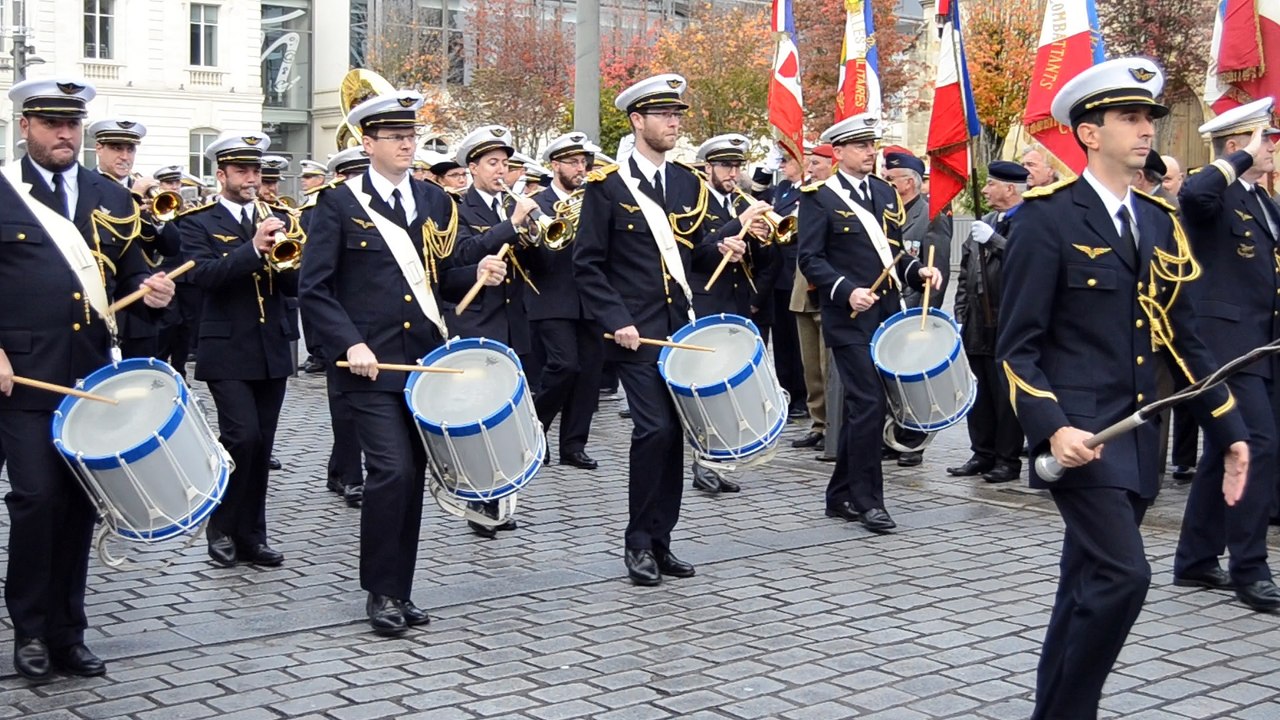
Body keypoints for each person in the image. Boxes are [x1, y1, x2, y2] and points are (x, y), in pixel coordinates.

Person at [996, 58, 1248, 718]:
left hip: (1138, 440)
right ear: (1088, 132)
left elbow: (1185, 339)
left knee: (1083, 585)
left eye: (1148, 120)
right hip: (1081, 439)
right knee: (1123, 576)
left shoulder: (1159, 222)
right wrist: (1053, 426)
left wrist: (1231, 431)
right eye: (1129, 119)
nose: (1145, 132)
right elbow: (1016, 348)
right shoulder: (1047, 220)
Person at [299, 89, 507, 636]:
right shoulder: (337, 204)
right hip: (370, 367)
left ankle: (402, 588)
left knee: (413, 475)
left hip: (424, 363)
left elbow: (444, 276)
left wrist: (481, 270)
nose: (407, 144)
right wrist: (349, 344)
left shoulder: (435, 200)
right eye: (395, 137)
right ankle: (380, 592)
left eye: (411, 136)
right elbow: (315, 289)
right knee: (390, 470)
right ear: (366, 143)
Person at [1, 77, 175, 682]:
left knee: (78, 505)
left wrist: (154, 293)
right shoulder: (4, 190)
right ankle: (28, 630)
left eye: (72, 124)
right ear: (25, 126)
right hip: (23, 378)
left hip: (93, 377)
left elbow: (131, 274)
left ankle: (67, 631)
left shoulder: (110, 195)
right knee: (35, 499)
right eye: (51, 123)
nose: (65, 134)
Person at [573, 73, 746, 586]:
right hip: (635, 332)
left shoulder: (688, 182)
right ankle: (637, 543)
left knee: (677, 436)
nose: (674, 122)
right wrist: (616, 320)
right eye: (664, 115)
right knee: (655, 430)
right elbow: (588, 264)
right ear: (637, 121)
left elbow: (692, 249)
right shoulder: (606, 187)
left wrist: (724, 246)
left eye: (678, 115)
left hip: (680, 327)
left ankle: (662, 539)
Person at [797, 113, 940, 534]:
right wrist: (846, 290)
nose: (869, 152)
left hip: (886, 316)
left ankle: (839, 494)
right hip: (849, 318)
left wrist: (919, 273)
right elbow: (811, 259)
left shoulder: (883, 192)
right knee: (869, 404)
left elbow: (894, 253)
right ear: (838, 152)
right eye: (860, 146)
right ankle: (868, 501)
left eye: (871, 145)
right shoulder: (818, 197)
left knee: (868, 407)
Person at [1173, 98, 1280, 612]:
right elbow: (1194, 190)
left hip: (1264, 346)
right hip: (1226, 349)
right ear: (1237, 146)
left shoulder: (1263, 202)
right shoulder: (1212, 196)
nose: (1275, 146)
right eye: (1267, 139)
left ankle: (1195, 559)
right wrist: (1236, 161)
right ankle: (1250, 568)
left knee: (1226, 448)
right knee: (1259, 445)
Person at [180, 131, 300, 569]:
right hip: (226, 346)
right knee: (241, 438)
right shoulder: (198, 222)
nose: (251, 178)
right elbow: (204, 276)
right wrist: (253, 249)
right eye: (241, 170)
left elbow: (293, 285)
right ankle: (222, 525)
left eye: (256, 171)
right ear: (222, 174)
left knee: (262, 445)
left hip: (272, 347)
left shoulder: (280, 216)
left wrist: (290, 256)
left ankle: (253, 535)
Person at [686, 133, 775, 493]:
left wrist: (758, 240)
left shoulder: (747, 202)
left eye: (737, 166)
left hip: (739, 302)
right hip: (708, 300)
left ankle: (720, 460)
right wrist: (736, 226)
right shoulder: (695, 203)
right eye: (725, 165)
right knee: (708, 385)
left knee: (732, 387)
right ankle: (703, 462)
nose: (732, 173)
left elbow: (768, 260)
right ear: (708, 167)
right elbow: (694, 253)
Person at [528, 131, 605, 473]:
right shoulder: (538, 204)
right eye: (573, 162)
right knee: (564, 366)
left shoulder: (595, 201)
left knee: (588, 374)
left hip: (589, 299)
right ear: (555, 165)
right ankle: (535, 429)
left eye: (583, 162)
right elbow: (533, 257)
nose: (581, 168)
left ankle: (574, 445)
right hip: (551, 298)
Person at [947, 161, 1027, 483]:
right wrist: (961, 315)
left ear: (1010, 189)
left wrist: (995, 240)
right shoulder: (987, 220)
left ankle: (1007, 460)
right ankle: (982, 452)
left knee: (1006, 395)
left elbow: (1027, 263)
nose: (984, 190)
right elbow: (966, 274)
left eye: (991, 184)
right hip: (979, 322)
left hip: (1009, 321)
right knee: (979, 392)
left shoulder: (1029, 222)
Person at [883, 150, 952, 467]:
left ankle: (915, 443)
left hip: (914, 311)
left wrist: (924, 319)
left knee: (915, 382)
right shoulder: (889, 214)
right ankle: (896, 436)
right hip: (890, 310)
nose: (887, 183)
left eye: (891, 179)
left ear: (908, 182)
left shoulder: (931, 216)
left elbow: (936, 271)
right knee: (894, 381)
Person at [87, 117, 173, 359]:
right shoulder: (87, 187)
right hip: (102, 302)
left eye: (130, 149)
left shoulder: (144, 190)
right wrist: (133, 198)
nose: (125, 156)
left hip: (140, 307)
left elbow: (172, 246)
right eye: (116, 148)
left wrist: (156, 218)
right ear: (99, 149)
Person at [789, 143, 833, 450]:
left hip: (827, 291)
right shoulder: (807, 197)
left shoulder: (837, 200)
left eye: (817, 163)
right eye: (810, 163)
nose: (811, 169)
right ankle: (818, 423)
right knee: (811, 367)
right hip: (803, 292)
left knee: (829, 366)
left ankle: (834, 424)